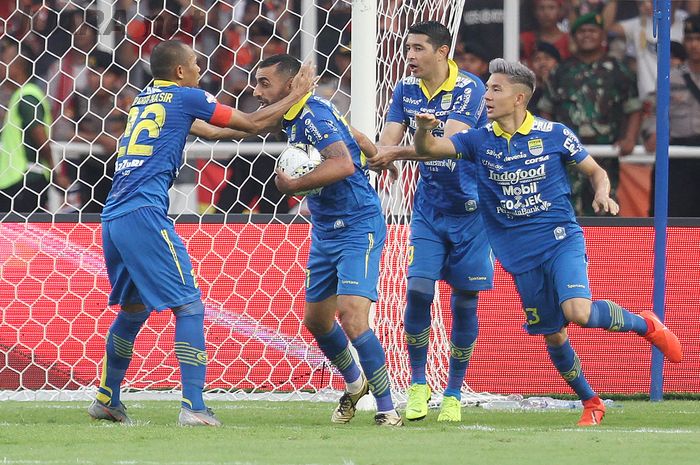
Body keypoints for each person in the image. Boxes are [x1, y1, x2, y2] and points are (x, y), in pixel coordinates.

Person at [409, 58, 682, 426]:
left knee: (577, 313)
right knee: (553, 335)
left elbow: (596, 170)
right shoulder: (478, 139)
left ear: (519, 98)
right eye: (487, 88)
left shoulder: (554, 134)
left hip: (558, 240)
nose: (486, 96)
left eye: (495, 89)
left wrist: (604, 193)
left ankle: (646, 325)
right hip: (518, 255)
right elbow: (428, 152)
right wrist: (424, 131)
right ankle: (592, 402)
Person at [88, 40, 315, 426]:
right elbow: (252, 123)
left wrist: (271, 112)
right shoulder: (186, 94)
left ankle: (107, 398)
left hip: (114, 215)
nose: (199, 68)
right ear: (179, 72)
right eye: (194, 63)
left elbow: (212, 134)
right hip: (144, 213)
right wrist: (298, 93)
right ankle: (193, 407)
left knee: (133, 309)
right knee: (189, 306)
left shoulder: (145, 99)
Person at [256, 54, 403, 427]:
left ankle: (388, 409)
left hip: (357, 224)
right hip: (325, 229)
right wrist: (375, 152)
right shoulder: (308, 110)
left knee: (353, 318)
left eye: (264, 83)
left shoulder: (312, 115)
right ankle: (356, 384)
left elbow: (343, 165)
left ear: (289, 87)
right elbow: (350, 134)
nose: (257, 92)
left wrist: (291, 186)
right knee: (318, 322)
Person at [368, 21, 494, 423]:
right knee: (419, 290)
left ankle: (454, 391)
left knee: (464, 302)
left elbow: (447, 147)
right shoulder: (405, 89)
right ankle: (419, 384)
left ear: (442, 52)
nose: (410, 56)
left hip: (474, 211)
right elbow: (388, 139)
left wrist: (400, 151)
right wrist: (378, 154)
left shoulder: (470, 89)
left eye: (419, 48)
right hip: (429, 209)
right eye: (408, 48)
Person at [538, 12, 642, 216]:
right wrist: (549, 142)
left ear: (602, 35)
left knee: (605, 207)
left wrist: (629, 138)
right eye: (582, 31)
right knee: (565, 209)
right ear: (574, 37)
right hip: (566, 156)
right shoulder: (560, 71)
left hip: (606, 153)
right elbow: (546, 109)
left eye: (592, 31)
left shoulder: (619, 71)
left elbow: (634, 108)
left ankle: (605, 249)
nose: (587, 35)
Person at [0, 37, 69, 213]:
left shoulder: (28, 97)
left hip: (25, 180)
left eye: (4, 60)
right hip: (14, 180)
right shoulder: (18, 97)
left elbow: (41, 138)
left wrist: (55, 173)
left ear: (18, 65)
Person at [643, 15, 700, 217]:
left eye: (699, 39)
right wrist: (652, 132)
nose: (694, 45)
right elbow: (654, 110)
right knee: (674, 215)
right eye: (690, 39)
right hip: (677, 154)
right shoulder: (671, 76)